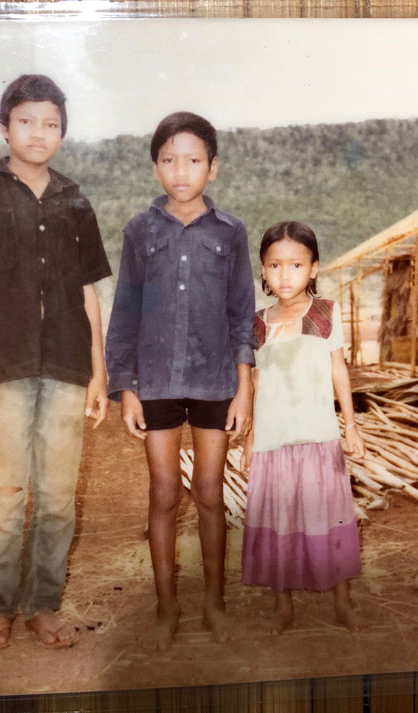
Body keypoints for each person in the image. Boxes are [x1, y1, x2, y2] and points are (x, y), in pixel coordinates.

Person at [0, 74, 111, 651]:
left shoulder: (74, 199)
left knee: (59, 496)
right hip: (3, 367)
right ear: (4, 126)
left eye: (52, 124)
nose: (40, 133)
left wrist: (99, 372)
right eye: (27, 121)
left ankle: (43, 605)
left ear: (63, 132)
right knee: (6, 492)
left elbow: (88, 293)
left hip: (66, 366)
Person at [105, 111, 255, 651]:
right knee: (165, 492)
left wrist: (245, 387)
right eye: (169, 160)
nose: (181, 170)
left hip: (216, 380)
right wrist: (125, 387)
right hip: (157, 381)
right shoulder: (140, 232)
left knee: (211, 493)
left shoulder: (231, 233)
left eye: (193, 160)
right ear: (155, 169)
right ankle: (166, 607)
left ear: (212, 168)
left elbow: (243, 314)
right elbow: (124, 314)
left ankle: (214, 604)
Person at [240, 221, 365, 635]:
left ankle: (342, 600)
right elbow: (255, 385)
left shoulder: (326, 313)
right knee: (279, 521)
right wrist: (250, 440)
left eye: (296, 264)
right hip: (273, 442)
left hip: (318, 437)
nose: (285, 274)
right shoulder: (257, 323)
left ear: (313, 268)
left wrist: (351, 427)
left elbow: (338, 370)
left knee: (327, 516)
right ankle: (282, 605)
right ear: (262, 269)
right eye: (275, 265)